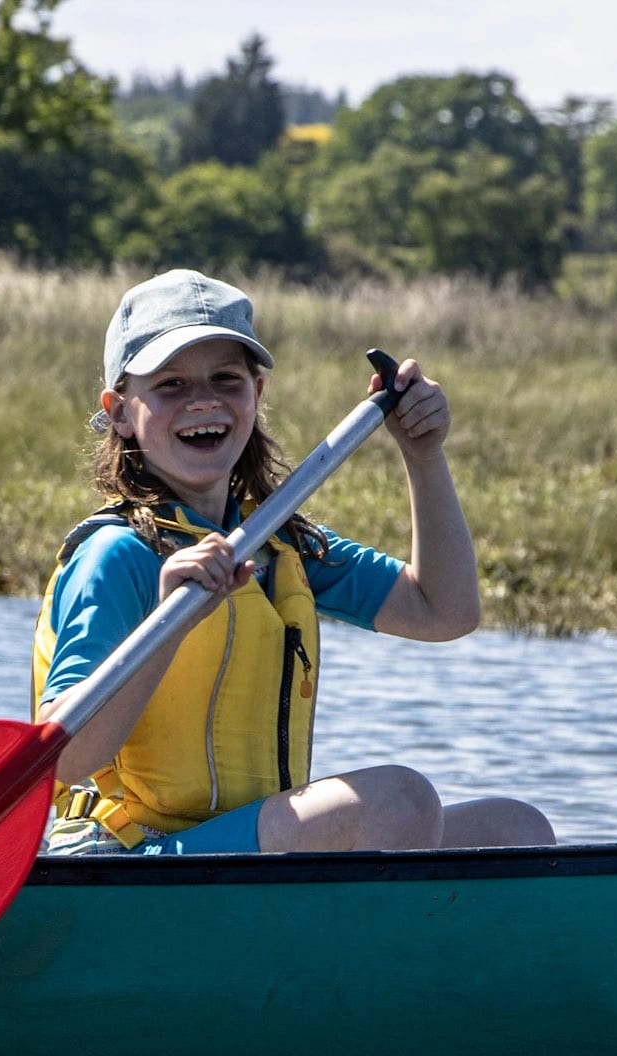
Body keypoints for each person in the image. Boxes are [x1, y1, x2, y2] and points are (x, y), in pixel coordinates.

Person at [33, 269, 553, 855]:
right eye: (171, 384)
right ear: (121, 411)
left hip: (235, 850)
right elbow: (60, 757)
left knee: (514, 832)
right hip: (127, 854)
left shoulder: (278, 544)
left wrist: (423, 454)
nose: (203, 399)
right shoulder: (117, 554)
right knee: (397, 801)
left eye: (226, 379)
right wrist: (172, 623)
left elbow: (444, 611)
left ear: (256, 394)